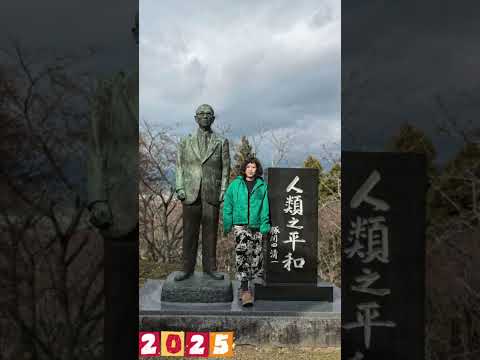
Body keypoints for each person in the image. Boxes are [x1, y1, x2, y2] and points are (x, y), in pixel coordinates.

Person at [174, 104, 231, 281]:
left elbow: (226, 168)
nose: (205, 116)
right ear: (196, 118)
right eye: (201, 114)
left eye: (209, 114)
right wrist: (180, 187)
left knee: (210, 232)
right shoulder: (185, 141)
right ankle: (186, 269)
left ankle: (210, 268)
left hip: (212, 192)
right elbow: (179, 166)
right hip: (190, 193)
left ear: (213, 119)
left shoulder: (221, 141)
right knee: (189, 233)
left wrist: (223, 189)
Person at [223, 157, 271, 306]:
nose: (251, 169)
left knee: (256, 257)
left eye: (254, 167)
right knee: (242, 255)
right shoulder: (235, 185)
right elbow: (228, 204)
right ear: (244, 169)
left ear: (257, 169)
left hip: (256, 226)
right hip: (240, 225)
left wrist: (265, 225)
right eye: (248, 166)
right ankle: (244, 290)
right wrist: (227, 223)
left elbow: (265, 207)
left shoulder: (261, 186)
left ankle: (252, 286)